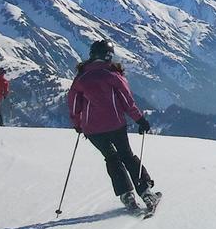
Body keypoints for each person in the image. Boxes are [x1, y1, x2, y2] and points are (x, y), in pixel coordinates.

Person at [67, 40, 160, 212]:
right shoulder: (113, 76)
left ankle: (126, 194)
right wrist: (140, 120)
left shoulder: (81, 78)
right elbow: (127, 102)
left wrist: (78, 124)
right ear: (109, 56)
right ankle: (145, 191)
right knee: (127, 156)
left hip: (92, 130)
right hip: (115, 125)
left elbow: (74, 105)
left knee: (111, 158)